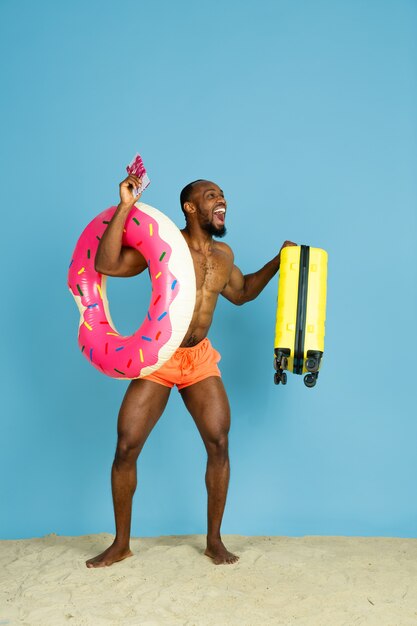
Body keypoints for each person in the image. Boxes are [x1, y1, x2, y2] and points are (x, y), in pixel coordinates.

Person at [86, 175, 296, 568]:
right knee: (126, 446)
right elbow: (106, 264)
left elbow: (243, 292)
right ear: (190, 207)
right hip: (162, 356)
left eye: (223, 195)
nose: (222, 199)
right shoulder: (165, 245)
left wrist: (277, 262)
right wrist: (125, 206)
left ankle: (214, 541)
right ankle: (121, 543)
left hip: (198, 359)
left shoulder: (224, 256)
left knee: (218, 443)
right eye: (212, 195)